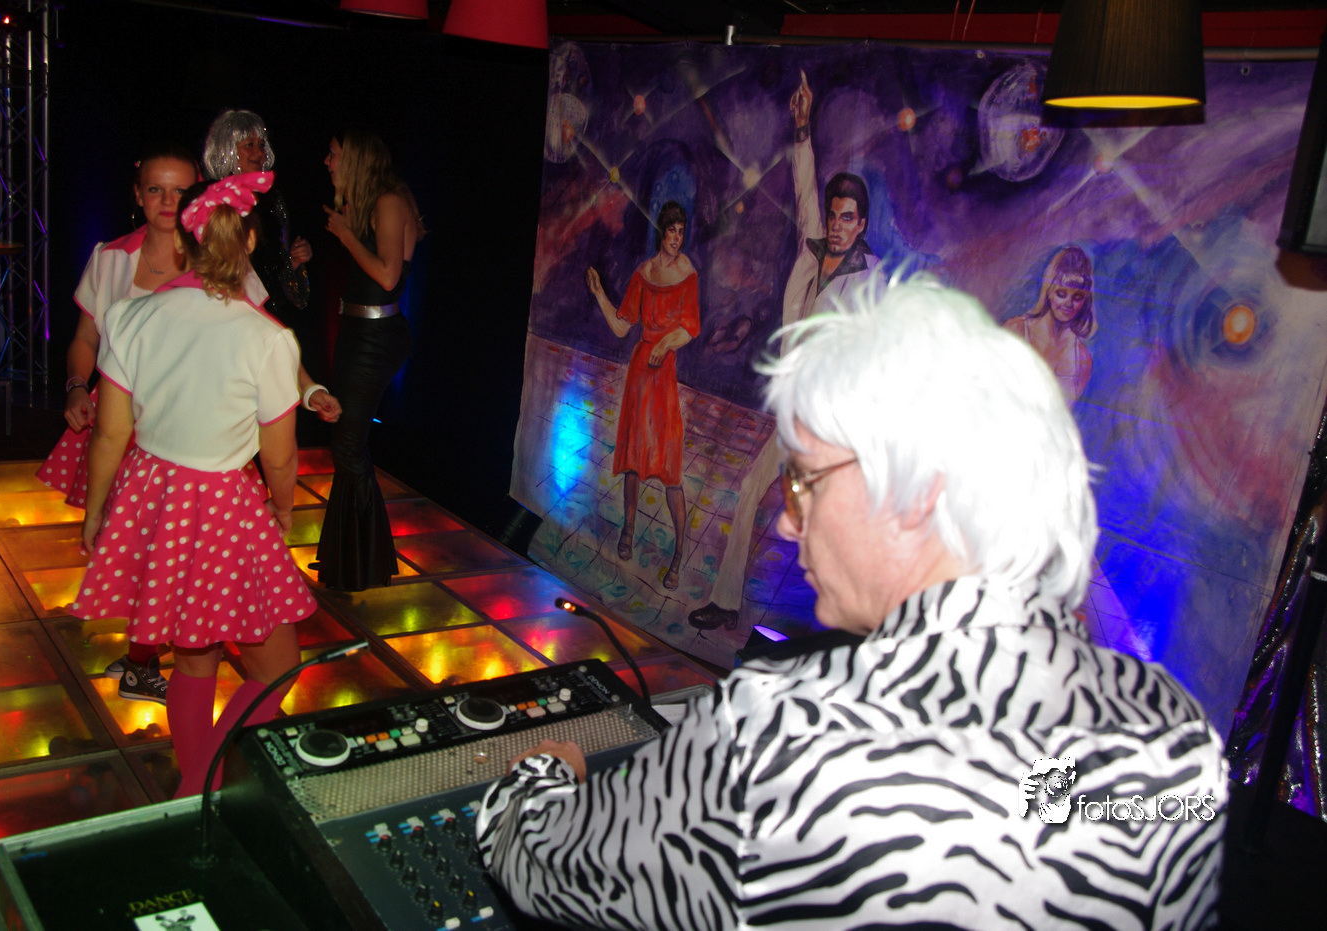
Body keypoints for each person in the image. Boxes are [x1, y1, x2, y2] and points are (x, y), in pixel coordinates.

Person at [476, 275, 1226, 928]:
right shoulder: (1174, 739)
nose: (785, 520)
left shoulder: (783, 739)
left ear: (918, 487)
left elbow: (543, 860)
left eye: (805, 480)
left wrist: (541, 776)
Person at [71, 172, 316, 798]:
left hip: (153, 499)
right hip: (223, 509)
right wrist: (283, 509)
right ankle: (199, 791)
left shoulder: (130, 316)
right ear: (250, 241)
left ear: (185, 241)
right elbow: (280, 456)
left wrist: (96, 512)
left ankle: (193, 791)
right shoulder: (268, 338)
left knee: (194, 659)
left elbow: (109, 434)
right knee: (276, 668)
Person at [36, 143, 223, 704]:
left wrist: (306, 389)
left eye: (181, 191)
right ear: (138, 195)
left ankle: (144, 657)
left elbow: (259, 332)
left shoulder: (219, 257)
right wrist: (76, 385)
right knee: (142, 549)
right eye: (156, 190)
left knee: (175, 552)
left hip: (188, 428)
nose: (168, 201)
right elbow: (85, 338)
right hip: (121, 423)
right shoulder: (111, 258)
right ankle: (143, 659)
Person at [689, 69, 876, 631]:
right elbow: (804, 183)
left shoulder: (870, 278)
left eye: (847, 218)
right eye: (833, 215)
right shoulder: (812, 249)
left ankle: (858, 623)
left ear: (861, 224)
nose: (837, 225)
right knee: (750, 490)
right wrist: (801, 127)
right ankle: (726, 602)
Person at [312, 128, 423, 592]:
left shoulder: (389, 201)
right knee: (347, 443)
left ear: (356, 158)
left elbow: (387, 276)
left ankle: (364, 563)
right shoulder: (372, 203)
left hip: (376, 337)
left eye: (334, 154)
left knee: (347, 445)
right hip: (359, 331)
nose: (327, 161)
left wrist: (345, 235)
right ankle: (349, 558)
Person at [586, 201, 700, 591]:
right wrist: (599, 293)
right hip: (640, 374)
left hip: (662, 375)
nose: (677, 238)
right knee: (634, 459)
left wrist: (665, 343)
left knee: (668, 467)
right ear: (661, 232)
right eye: (671, 231)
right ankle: (629, 528)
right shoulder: (644, 273)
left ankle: (679, 553)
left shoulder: (687, 274)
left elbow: (691, 327)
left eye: (681, 231)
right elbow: (623, 326)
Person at [202, 109, 341, 425]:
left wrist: (294, 261)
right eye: (248, 144)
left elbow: (275, 271)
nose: (258, 152)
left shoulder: (271, 198)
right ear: (227, 149)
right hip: (225, 323)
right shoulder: (211, 202)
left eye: (261, 144)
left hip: (269, 320)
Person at [1003, 244, 1096, 403]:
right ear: (1049, 292)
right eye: (1061, 294)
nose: (1068, 303)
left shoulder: (1082, 360)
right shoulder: (1016, 330)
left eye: (1077, 297)